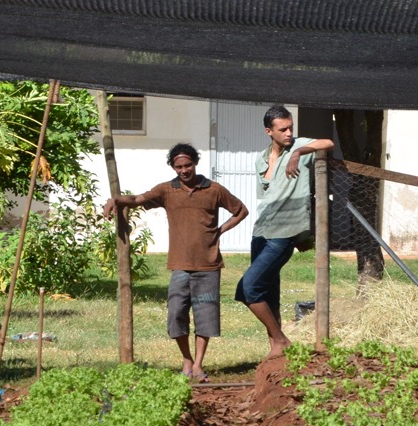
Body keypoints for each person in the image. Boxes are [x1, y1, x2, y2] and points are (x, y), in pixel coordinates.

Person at [103, 143, 248, 382]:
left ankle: (199, 364)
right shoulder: (166, 191)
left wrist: (220, 231)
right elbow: (139, 198)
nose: (184, 170)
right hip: (179, 265)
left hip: (208, 264)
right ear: (173, 167)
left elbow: (241, 210)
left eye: (188, 165)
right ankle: (187, 359)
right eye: (178, 166)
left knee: (206, 315)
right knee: (176, 313)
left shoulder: (214, 189)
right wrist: (116, 200)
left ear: (195, 163)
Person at [234, 105, 333, 358]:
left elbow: (328, 142)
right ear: (269, 131)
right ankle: (276, 350)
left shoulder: (300, 147)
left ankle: (281, 340)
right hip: (262, 231)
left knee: (248, 288)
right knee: (268, 292)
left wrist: (298, 152)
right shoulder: (261, 158)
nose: (289, 133)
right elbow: (265, 196)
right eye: (283, 129)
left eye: (290, 127)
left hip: (284, 233)